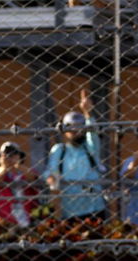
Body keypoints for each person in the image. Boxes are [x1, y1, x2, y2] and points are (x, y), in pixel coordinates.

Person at [44, 91, 106, 221]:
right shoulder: (59, 150)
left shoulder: (90, 147)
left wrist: (87, 112)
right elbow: (51, 172)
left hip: (93, 208)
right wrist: (51, 179)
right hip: (69, 210)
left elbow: (93, 133)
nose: (74, 131)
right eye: (70, 128)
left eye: (78, 127)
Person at [0, 142, 40, 226]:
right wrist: (4, 166)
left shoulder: (26, 171)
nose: (9, 156)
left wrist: (17, 164)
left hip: (28, 216)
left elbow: (33, 178)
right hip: (7, 219)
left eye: (13, 154)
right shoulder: (0, 173)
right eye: (6, 154)